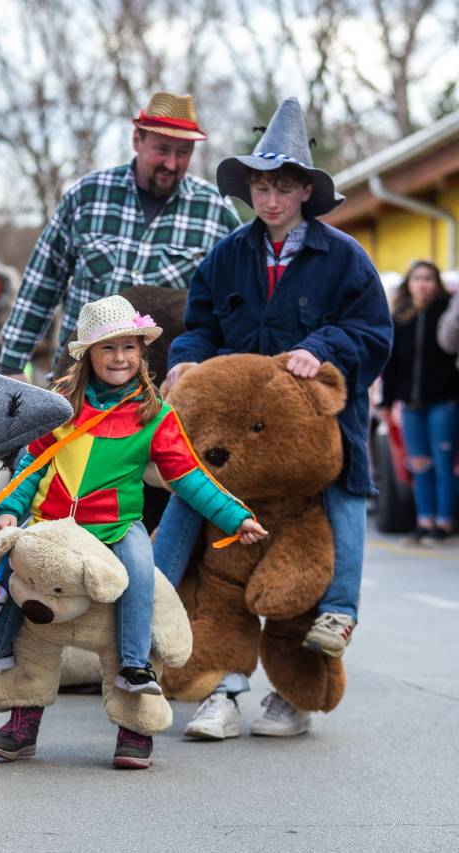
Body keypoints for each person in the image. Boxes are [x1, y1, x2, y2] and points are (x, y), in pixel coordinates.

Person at [155, 97, 392, 740]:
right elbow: (200, 326)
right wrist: (185, 359)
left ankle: (336, 617)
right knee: (196, 504)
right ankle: (161, 607)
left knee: (343, 496)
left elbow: (372, 332)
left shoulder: (344, 258)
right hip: (237, 432)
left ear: (306, 191)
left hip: (312, 431)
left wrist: (323, 347)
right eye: (261, 187)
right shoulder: (228, 255)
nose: (271, 199)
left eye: (283, 187)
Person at [0, 295, 265, 768]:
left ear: (142, 352)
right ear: (88, 355)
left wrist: (235, 517)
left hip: (116, 528)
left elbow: (189, 477)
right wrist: (10, 509)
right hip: (55, 526)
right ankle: (10, 688)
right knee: (25, 595)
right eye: (108, 348)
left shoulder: (156, 414)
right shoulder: (59, 403)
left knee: (140, 571)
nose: (119, 358)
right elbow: (32, 463)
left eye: (129, 347)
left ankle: (135, 679)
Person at [0, 93, 241, 377]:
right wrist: (12, 365)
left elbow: (237, 304)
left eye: (183, 153)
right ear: (137, 140)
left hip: (165, 384)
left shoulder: (215, 210)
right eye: (162, 150)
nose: (172, 163)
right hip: (80, 380)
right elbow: (42, 283)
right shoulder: (87, 196)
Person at [380, 260, 459, 542]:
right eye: (417, 278)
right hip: (410, 405)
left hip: (444, 401)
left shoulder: (447, 314)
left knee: (443, 463)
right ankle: (424, 520)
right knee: (419, 464)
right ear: (409, 284)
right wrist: (386, 402)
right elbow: (391, 365)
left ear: (436, 284)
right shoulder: (400, 318)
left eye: (428, 278)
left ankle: (444, 522)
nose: (422, 284)